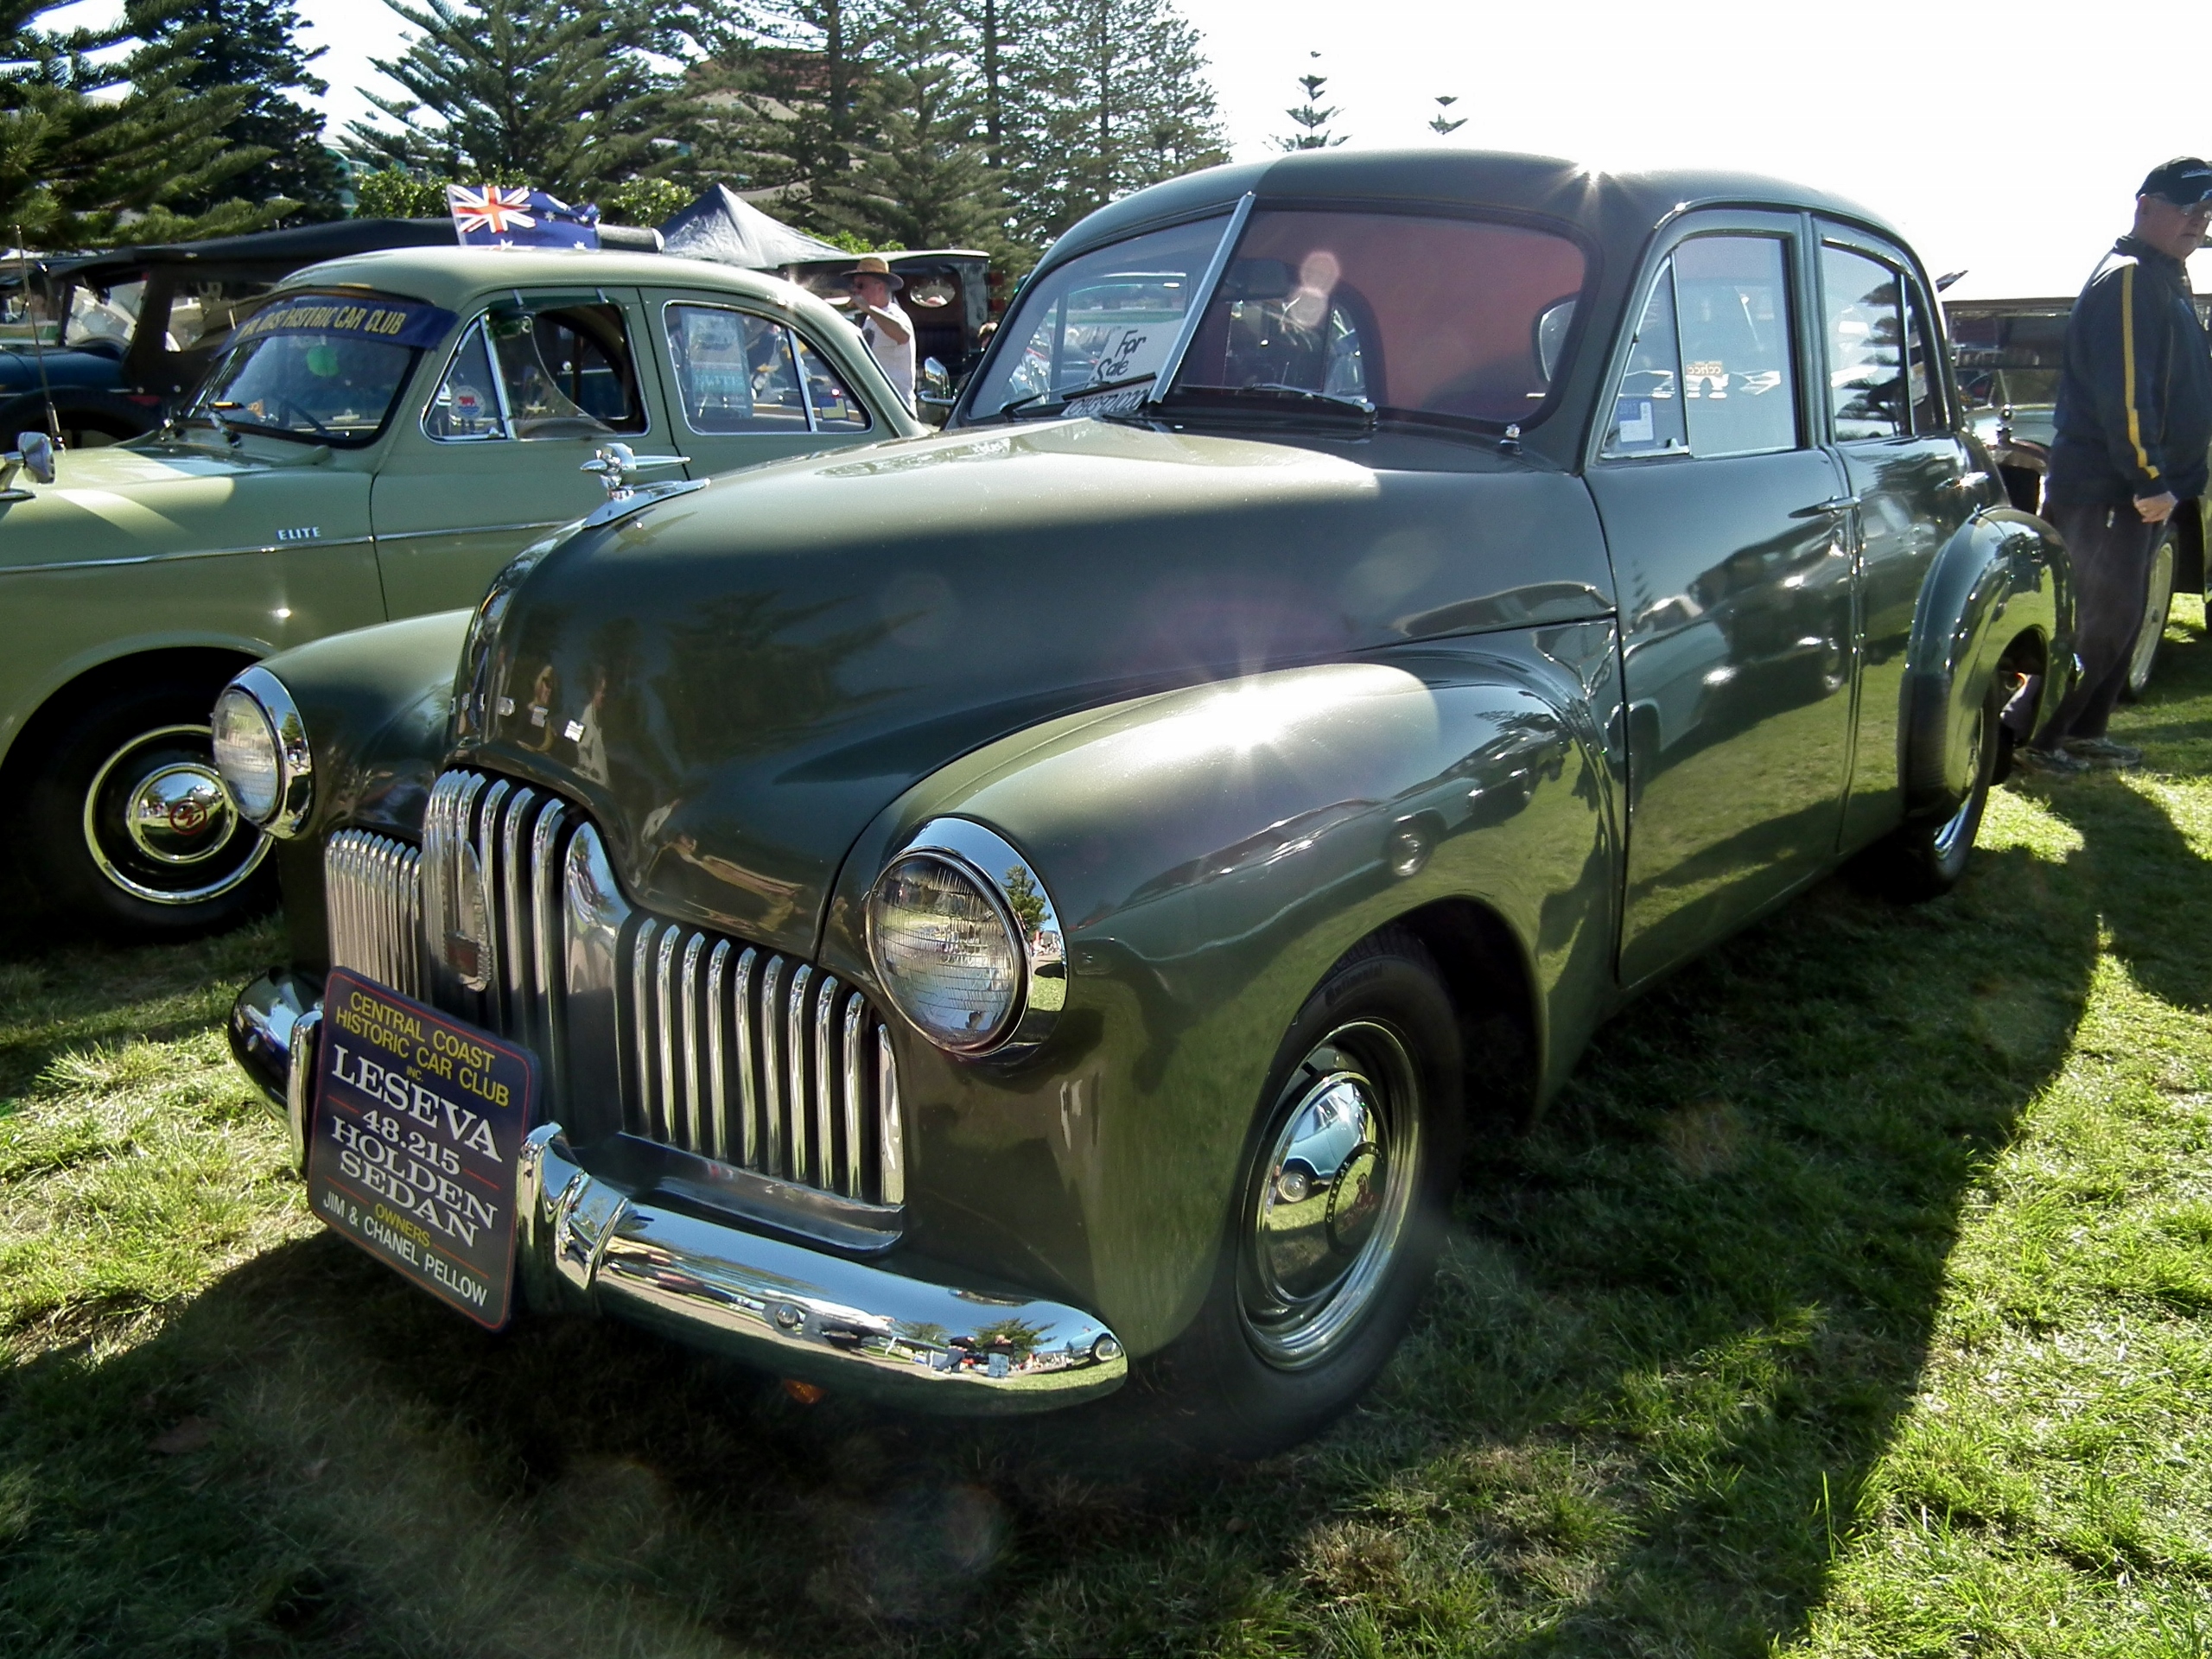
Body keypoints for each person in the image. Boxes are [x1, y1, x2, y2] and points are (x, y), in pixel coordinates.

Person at [2021, 157, 2212, 775]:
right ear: (2146, 205)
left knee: (2123, 616)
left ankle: (2081, 732)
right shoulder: (2130, 279)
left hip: (2143, 491)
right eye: (2189, 207)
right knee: (2094, 618)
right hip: (2112, 488)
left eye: (2207, 211)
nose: (2200, 220)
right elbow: (2125, 392)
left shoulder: (2164, 277)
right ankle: (2036, 738)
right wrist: (2148, 479)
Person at [842, 255, 914, 413]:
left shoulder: (895, 314)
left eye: (861, 286)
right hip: (878, 407)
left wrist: (868, 308)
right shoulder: (871, 319)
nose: (856, 291)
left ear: (880, 287)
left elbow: (903, 335)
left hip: (897, 408)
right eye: (854, 286)